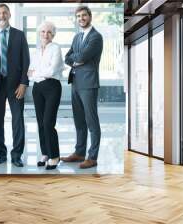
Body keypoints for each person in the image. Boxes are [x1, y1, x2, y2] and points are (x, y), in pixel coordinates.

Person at [0, 3, 30, 167]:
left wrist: (24, 82)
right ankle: (0, 153)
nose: (1, 16)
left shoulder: (19, 35)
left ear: (9, 14)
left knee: (18, 119)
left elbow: (26, 60)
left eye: (4, 13)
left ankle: (17, 154)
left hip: (16, 85)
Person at [62, 6, 103, 169]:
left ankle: (92, 157)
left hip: (88, 84)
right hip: (76, 83)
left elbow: (82, 56)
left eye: (84, 15)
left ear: (90, 16)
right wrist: (77, 60)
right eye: (78, 16)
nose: (81, 18)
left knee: (91, 121)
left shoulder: (96, 37)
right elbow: (68, 57)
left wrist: (77, 59)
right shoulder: (77, 37)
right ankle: (79, 153)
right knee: (79, 120)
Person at [28, 21, 64, 170]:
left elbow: (52, 70)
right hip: (37, 88)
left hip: (52, 87)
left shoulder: (56, 48)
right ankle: (45, 153)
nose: (45, 34)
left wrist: (36, 73)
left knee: (49, 123)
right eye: (43, 31)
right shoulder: (36, 51)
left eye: (49, 32)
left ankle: (55, 156)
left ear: (53, 34)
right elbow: (29, 72)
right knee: (41, 123)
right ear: (39, 33)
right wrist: (35, 73)